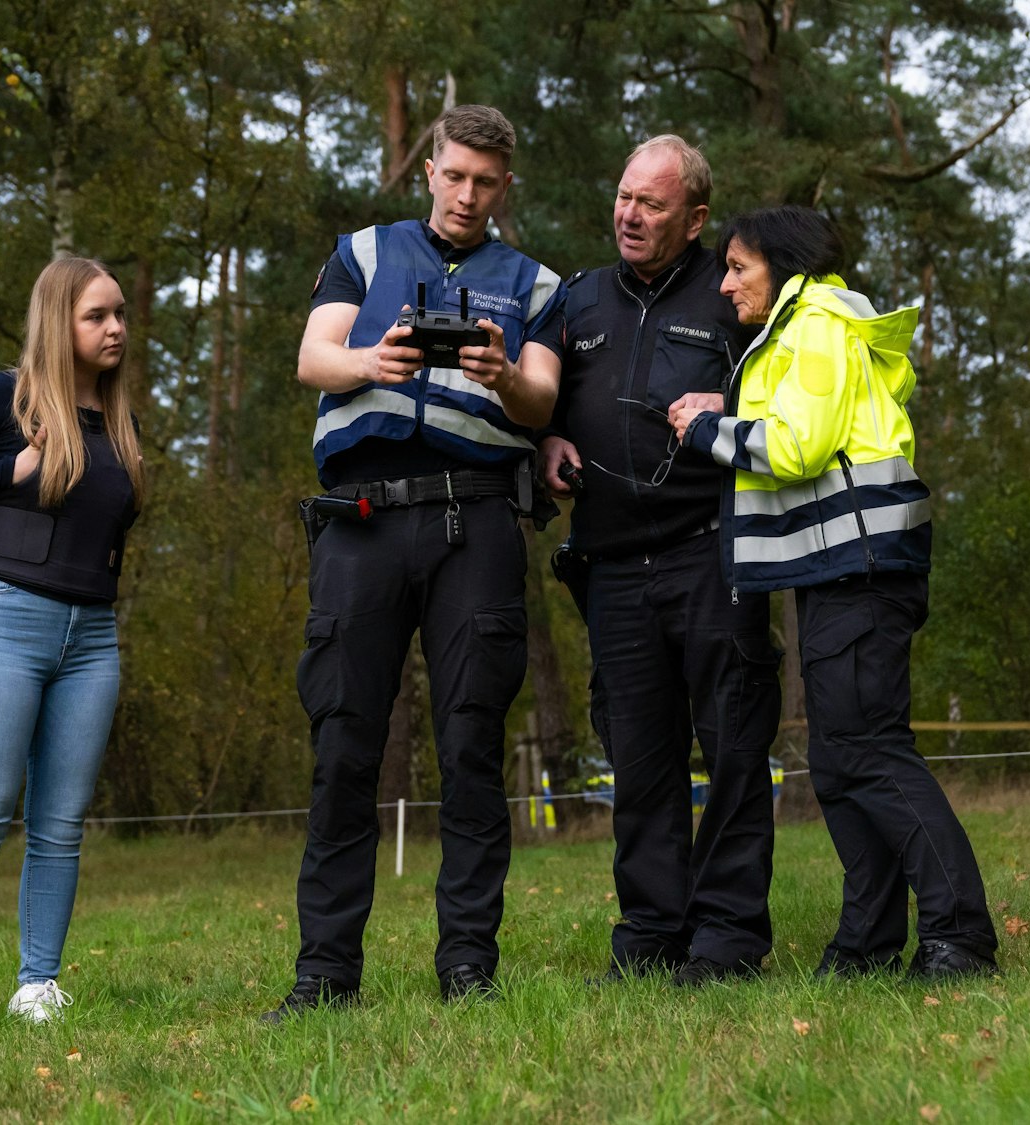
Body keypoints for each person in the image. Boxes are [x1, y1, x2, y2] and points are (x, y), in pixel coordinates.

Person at [266, 105, 564, 1022]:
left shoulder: (537, 281)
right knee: (345, 744)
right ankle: (325, 975)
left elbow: (544, 394)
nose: (468, 195)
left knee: (472, 745)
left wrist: (502, 373)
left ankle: (469, 965)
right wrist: (373, 361)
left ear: (504, 186)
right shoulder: (362, 249)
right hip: (362, 523)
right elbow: (313, 357)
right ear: (428, 169)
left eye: (486, 181)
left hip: (475, 523)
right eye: (455, 175)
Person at [666, 206, 1000, 982]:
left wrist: (705, 432)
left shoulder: (813, 321)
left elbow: (797, 445)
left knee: (869, 754)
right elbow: (808, 421)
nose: (725, 283)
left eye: (739, 267)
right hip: (839, 569)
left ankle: (961, 935)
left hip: (861, 568)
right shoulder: (807, 330)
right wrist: (730, 406)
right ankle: (866, 945)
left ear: (783, 267)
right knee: (840, 760)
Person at [538, 136, 780, 987]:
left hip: (713, 556)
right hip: (611, 566)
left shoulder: (736, 296)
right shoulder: (578, 300)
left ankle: (727, 939)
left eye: (652, 204)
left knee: (735, 751)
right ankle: (650, 933)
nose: (629, 215)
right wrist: (550, 436)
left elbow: (795, 391)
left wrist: (738, 398)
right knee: (639, 760)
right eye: (623, 196)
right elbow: (542, 397)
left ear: (696, 219)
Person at [0, 256, 144, 1026]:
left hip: (92, 636)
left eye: (119, 314)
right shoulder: (4, 399)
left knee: (61, 821)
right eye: (97, 316)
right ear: (59, 323)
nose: (116, 328)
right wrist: (18, 464)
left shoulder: (119, 419)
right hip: (3, 621)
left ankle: (38, 984)